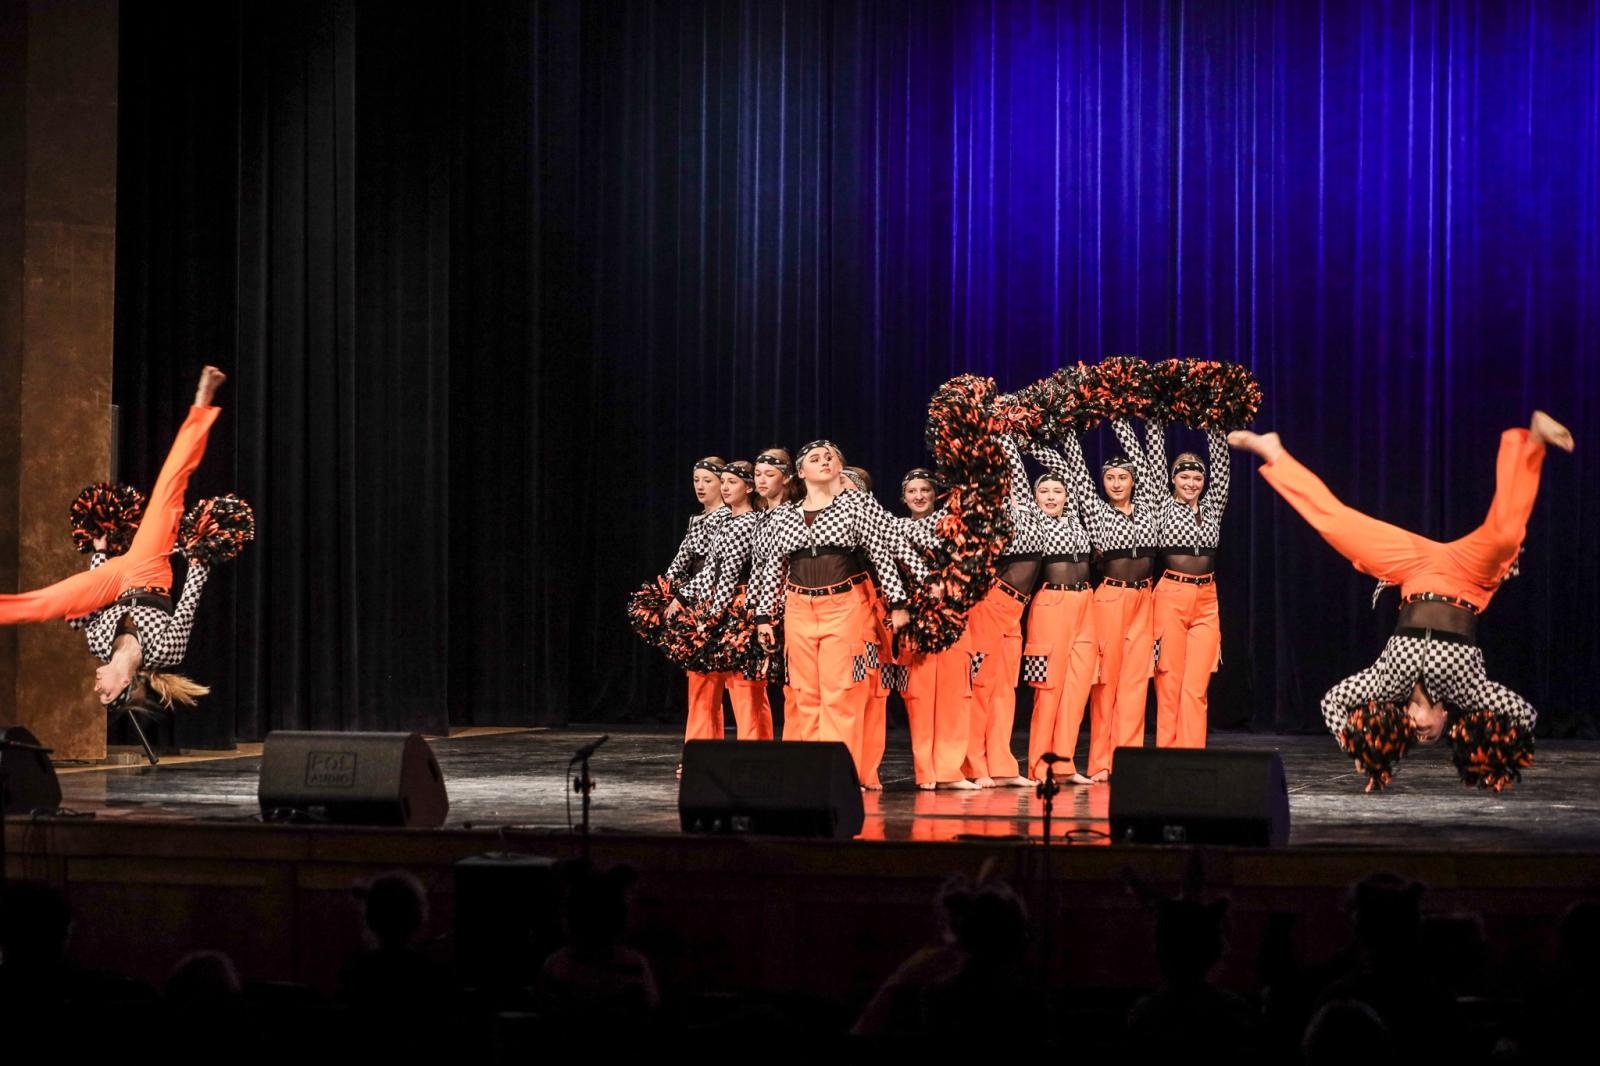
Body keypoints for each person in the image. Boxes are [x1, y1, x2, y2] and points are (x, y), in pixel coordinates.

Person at [1229, 412, 1572, 788]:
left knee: (1337, 524)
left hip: (1415, 571)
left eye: (1414, 736)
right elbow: (1525, 714)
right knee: (1507, 535)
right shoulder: (1470, 691)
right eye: (1434, 735)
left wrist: (1366, 748)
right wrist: (1490, 754)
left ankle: (1275, 453)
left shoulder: (1384, 684)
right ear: (1446, 720)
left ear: (1403, 716)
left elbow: (1332, 702)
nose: (1423, 734)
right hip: (1470, 578)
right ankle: (1534, 442)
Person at [0, 366, 229, 712]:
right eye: (104, 693)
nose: (97, 688)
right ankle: (202, 402)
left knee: (44, 604)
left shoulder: (98, 644)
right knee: (170, 488)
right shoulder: (166, 652)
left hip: (112, 582)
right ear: (123, 685)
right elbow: (187, 606)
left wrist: (100, 553)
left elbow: (91, 603)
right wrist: (199, 558)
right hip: (149, 574)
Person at [752, 440, 921, 783]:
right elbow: (773, 567)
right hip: (799, 608)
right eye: (815, 459)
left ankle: (838, 776)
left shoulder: (855, 506)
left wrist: (901, 601)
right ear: (800, 472)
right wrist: (763, 617)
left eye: (830, 457)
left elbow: (881, 553)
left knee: (839, 694)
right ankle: (811, 774)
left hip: (843, 606)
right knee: (805, 694)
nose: (824, 461)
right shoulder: (784, 515)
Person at [1151, 425, 1231, 748]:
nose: (1191, 483)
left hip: (1206, 599)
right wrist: (1156, 420)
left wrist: (1213, 421)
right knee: (1169, 680)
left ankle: (1191, 755)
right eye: (1184, 477)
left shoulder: (1212, 506)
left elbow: (1222, 464)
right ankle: (1167, 756)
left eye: (1197, 478)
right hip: (1171, 594)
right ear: (1173, 479)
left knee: (1196, 686)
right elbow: (1155, 460)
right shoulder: (1163, 504)